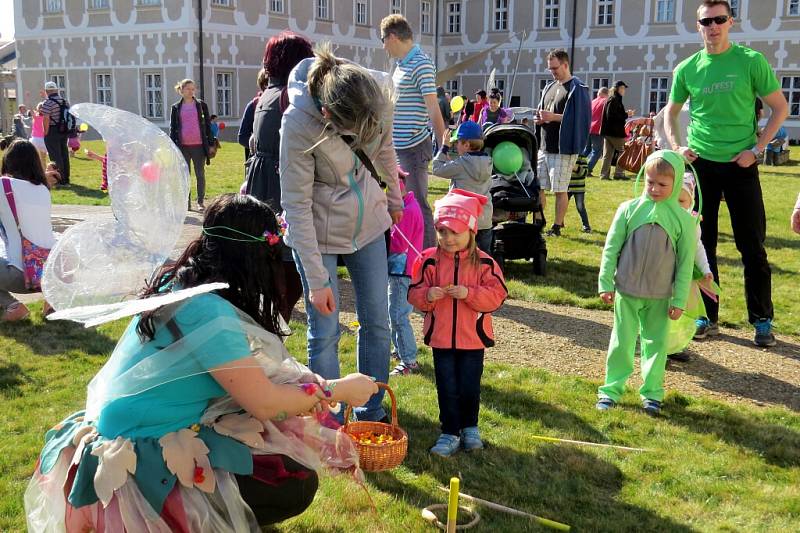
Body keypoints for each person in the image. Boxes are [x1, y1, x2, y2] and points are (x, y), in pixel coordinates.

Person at [23, 193, 381, 531]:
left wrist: (314, 385)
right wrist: (338, 389)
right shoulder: (209, 313)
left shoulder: (178, 284)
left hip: (119, 431)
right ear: (255, 259)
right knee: (293, 480)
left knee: (266, 436)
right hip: (138, 457)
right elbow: (266, 402)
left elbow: (253, 376)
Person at [280, 44, 403, 423]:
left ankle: (371, 409)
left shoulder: (375, 97)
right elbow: (296, 207)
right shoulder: (298, 123)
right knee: (325, 330)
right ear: (328, 114)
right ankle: (329, 418)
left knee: (377, 321)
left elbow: (384, 151)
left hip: (367, 226)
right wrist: (317, 281)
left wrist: (395, 198)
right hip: (318, 232)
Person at [663, 0, 789, 347]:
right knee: (701, 243)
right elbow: (670, 112)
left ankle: (762, 320)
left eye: (720, 19)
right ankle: (708, 316)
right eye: (707, 21)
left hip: (741, 165)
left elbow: (781, 107)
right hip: (701, 165)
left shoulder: (750, 62)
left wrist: (757, 149)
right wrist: (676, 147)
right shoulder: (688, 68)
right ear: (698, 25)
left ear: (731, 22)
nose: (713, 26)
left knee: (753, 246)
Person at [407, 189, 508, 457]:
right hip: (440, 339)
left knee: (469, 386)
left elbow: (497, 296)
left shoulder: (485, 264)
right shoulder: (428, 259)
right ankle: (449, 432)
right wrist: (427, 296)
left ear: (471, 232)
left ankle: (470, 428)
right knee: (447, 386)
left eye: (455, 232)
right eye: (442, 232)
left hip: (472, 340)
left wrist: (469, 294)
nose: (447, 238)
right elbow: (414, 293)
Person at [596, 150, 696, 416]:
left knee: (656, 345)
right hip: (626, 292)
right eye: (650, 182)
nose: (655, 188)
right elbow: (611, 247)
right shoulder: (628, 209)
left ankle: (652, 394)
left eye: (663, 184)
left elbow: (686, 264)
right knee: (621, 341)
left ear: (676, 185)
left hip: (661, 296)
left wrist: (679, 299)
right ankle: (610, 390)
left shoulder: (684, 220)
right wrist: (605, 282)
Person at [245, 31, 313, 324]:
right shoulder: (288, 96)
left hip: (262, 186)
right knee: (286, 275)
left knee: (272, 272)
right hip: (281, 188)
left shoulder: (266, 95)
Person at [381, 13, 447, 249]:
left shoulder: (421, 63)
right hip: (397, 148)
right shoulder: (399, 66)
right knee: (399, 203)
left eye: (383, 39)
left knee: (418, 204)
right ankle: (407, 252)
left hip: (413, 148)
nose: (383, 46)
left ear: (393, 36)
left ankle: (429, 258)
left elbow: (433, 108)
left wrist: (445, 145)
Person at [534, 48, 591, 237]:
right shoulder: (549, 87)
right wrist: (540, 118)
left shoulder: (578, 88)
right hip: (544, 145)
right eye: (550, 69)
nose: (552, 72)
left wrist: (553, 117)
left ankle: (557, 226)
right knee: (538, 186)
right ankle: (539, 221)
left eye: (555, 68)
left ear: (565, 65)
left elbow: (580, 119)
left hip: (563, 148)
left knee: (559, 189)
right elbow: (544, 111)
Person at [0, 140, 56, 321]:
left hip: (21, 276)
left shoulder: (4, 185)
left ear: (8, 161)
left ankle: (12, 306)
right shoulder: (43, 190)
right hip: (48, 275)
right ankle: (51, 302)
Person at [667, 172, 715, 363]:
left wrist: (706, 269)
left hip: (683, 276)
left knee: (682, 312)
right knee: (660, 311)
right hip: (661, 275)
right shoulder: (663, 217)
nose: (677, 205)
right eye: (673, 199)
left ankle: (676, 345)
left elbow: (697, 246)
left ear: (691, 201)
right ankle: (658, 346)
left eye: (682, 200)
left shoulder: (692, 221)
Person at [431, 120, 493, 252]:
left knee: (464, 259)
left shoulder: (460, 165)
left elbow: (436, 168)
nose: (455, 146)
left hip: (465, 221)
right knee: (484, 259)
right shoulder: (488, 162)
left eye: (457, 142)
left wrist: (444, 147)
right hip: (485, 219)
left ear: (466, 144)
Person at [388, 171, 424, 376]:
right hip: (400, 269)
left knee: (398, 316)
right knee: (394, 312)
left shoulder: (407, 211)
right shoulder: (407, 205)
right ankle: (398, 349)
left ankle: (409, 360)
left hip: (403, 271)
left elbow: (399, 243)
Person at [169, 79, 215, 211]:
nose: (191, 91)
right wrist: (173, 146)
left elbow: (208, 125)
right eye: (188, 89)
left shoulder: (201, 105)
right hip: (182, 146)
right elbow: (173, 128)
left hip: (199, 145)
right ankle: (187, 203)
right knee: (185, 176)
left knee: (200, 173)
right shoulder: (176, 108)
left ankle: (200, 202)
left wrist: (211, 143)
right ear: (181, 90)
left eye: (193, 89)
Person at [599, 81, 632, 180]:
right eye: (622, 88)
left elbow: (612, 115)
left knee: (607, 154)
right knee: (624, 151)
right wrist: (626, 115)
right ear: (617, 89)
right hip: (614, 132)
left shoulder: (612, 99)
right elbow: (611, 116)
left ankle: (604, 175)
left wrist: (625, 114)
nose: (624, 90)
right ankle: (619, 173)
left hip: (608, 132)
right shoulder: (614, 99)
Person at [40, 81, 71, 185]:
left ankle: (58, 179)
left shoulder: (47, 103)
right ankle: (66, 178)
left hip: (52, 130)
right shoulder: (64, 101)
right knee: (64, 154)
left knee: (55, 156)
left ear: (46, 91)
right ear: (56, 90)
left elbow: (46, 119)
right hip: (64, 130)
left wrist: (46, 132)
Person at [238, 69, 268, 161]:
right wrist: (259, 146)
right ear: (265, 85)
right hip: (257, 160)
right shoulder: (253, 106)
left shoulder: (283, 103)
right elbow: (242, 137)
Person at [582, 86, 608, 175]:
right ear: (606, 94)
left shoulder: (592, 102)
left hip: (588, 128)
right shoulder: (605, 102)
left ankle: (575, 164)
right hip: (598, 129)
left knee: (587, 149)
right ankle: (588, 169)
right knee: (597, 151)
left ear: (599, 93)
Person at [567, 154, 591, 233]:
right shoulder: (564, 156)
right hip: (566, 187)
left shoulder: (581, 157)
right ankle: (559, 223)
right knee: (561, 205)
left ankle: (586, 226)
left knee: (580, 207)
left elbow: (585, 172)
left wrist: (576, 168)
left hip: (578, 187)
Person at [29, 103, 48, 169]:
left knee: (37, 158)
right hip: (42, 140)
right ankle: (43, 171)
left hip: (36, 140)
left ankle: (38, 171)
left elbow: (31, 109)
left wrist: (28, 99)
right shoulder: (46, 117)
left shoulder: (36, 117)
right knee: (43, 158)